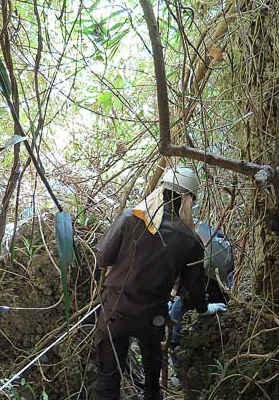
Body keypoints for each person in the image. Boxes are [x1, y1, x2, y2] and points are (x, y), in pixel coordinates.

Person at [93, 166, 227, 400]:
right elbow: (193, 291)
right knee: (152, 383)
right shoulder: (190, 240)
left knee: (107, 382)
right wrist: (206, 308)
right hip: (151, 318)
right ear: (187, 199)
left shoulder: (130, 216)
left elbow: (103, 258)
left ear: (163, 190)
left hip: (115, 310)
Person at [167, 221, 234, 386]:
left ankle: (181, 376)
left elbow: (182, 280)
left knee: (176, 335)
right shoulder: (214, 247)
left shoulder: (188, 245)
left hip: (195, 296)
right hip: (215, 295)